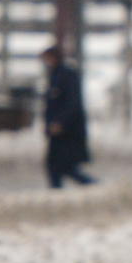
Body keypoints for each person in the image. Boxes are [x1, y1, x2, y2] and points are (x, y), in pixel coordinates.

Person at [40, 43, 97, 190]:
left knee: (64, 167)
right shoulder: (55, 75)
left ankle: (96, 188)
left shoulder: (65, 75)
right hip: (59, 133)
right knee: (56, 167)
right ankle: (56, 193)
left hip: (67, 133)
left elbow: (72, 102)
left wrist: (60, 122)